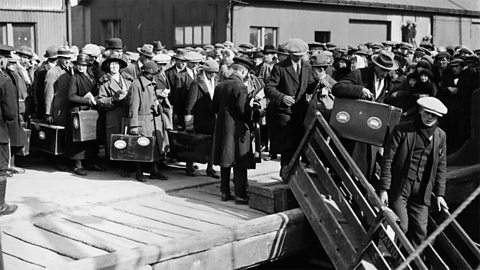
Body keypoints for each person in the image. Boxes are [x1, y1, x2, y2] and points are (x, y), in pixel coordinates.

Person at [379, 97, 448, 248]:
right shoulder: (402, 130)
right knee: (401, 226)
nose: (430, 118)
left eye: (434, 116)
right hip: (400, 187)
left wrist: (440, 194)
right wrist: (384, 189)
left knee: (420, 232)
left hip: (422, 191)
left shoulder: (440, 135)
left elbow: (441, 166)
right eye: (428, 113)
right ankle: (388, 257)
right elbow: (388, 160)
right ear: (421, 110)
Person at [332, 49, 399, 181]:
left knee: (368, 167)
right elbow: (337, 88)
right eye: (383, 70)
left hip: (371, 131)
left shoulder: (386, 81)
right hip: (353, 130)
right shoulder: (359, 74)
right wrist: (360, 90)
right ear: (376, 66)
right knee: (350, 166)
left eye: (388, 70)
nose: (385, 73)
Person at [265, 38, 315, 177]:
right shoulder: (280, 67)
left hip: (301, 112)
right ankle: (285, 171)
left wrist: (318, 83)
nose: (298, 59)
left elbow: (309, 85)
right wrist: (282, 97)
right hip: (285, 113)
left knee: (299, 143)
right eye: (295, 56)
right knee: (287, 145)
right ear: (290, 54)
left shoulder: (307, 66)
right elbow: (269, 88)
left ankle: (295, 171)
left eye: (301, 56)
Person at [212, 57, 259, 204]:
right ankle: (240, 194)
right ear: (244, 72)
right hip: (238, 130)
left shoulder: (220, 85)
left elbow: (213, 107)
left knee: (225, 160)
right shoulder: (240, 86)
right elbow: (243, 111)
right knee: (240, 162)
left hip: (223, 128)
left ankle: (224, 192)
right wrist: (257, 113)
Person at [128, 61, 169, 182]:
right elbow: (133, 106)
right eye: (151, 74)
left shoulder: (152, 84)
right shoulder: (136, 84)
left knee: (154, 147)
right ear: (144, 73)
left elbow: (153, 100)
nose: (153, 76)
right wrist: (134, 125)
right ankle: (139, 171)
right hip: (142, 119)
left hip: (152, 120)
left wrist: (158, 105)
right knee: (141, 146)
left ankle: (154, 171)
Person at [66, 53, 102, 176]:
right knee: (79, 138)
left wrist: (96, 98)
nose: (81, 67)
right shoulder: (74, 78)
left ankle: (90, 162)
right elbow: (71, 96)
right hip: (78, 110)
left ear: (87, 66)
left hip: (89, 109)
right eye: (79, 65)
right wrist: (87, 100)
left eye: (84, 65)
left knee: (91, 137)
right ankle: (78, 165)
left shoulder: (91, 76)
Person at [184, 59, 219, 178]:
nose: (213, 75)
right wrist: (189, 119)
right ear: (206, 71)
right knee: (194, 142)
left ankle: (210, 167)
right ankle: (189, 165)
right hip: (200, 116)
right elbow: (191, 102)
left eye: (215, 72)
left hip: (212, 116)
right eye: (211, 73)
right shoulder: (197, 82)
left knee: (212, 143)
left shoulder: (217, 81)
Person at [0, 44, 19, 215]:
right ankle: (1, 206)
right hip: (0, 133)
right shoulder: (4, 80)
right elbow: (11, 112)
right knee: (0, 168)